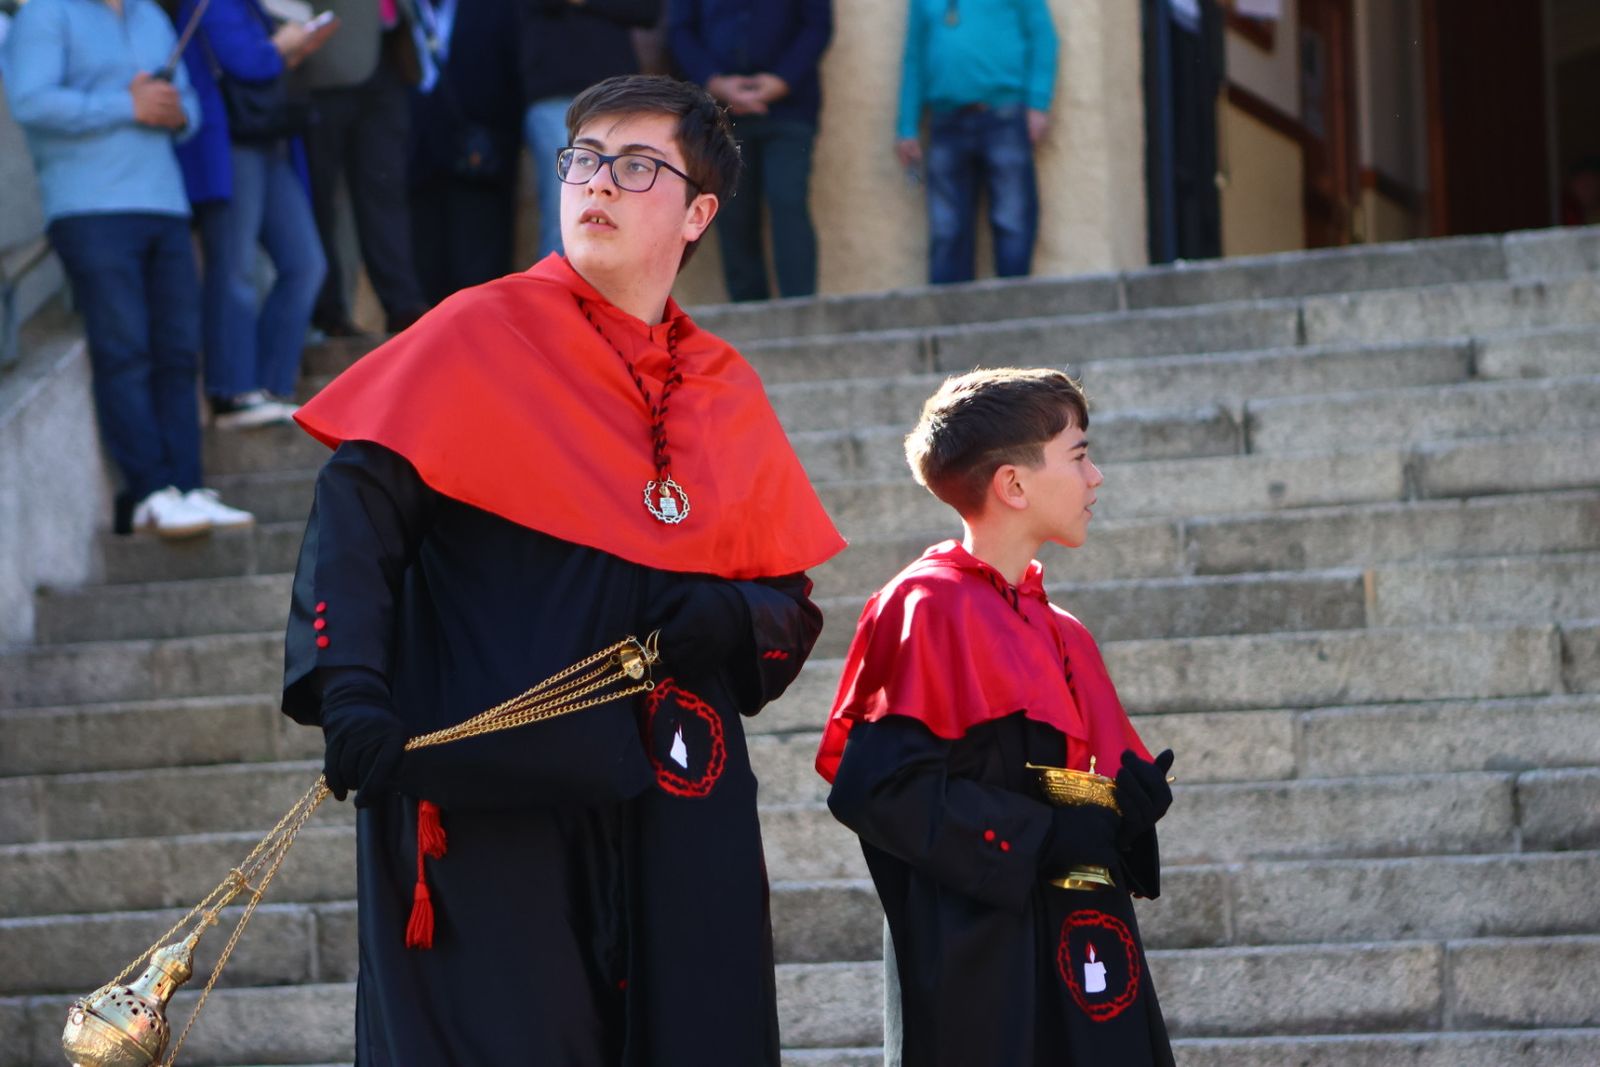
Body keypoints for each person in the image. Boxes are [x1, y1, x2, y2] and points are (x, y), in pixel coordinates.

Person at [280, 74, 846, 1064]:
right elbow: (353, 510)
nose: (597, 183)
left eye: (635, 167)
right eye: (583, 159)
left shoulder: (722, 384)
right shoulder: (473, 330)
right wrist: (352, 689)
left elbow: (783, 602)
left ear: (697, 212)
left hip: (676, 794)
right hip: (489, 792)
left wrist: (727, 617)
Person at [816, 368, 1176, 1066]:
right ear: (1013, 485)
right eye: (1078, 455)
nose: (1096, 476)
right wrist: (1043, 835)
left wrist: (1125, 814)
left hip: (1088, 950)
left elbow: (1075, 803)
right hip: (980, 966)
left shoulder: (1063, 630)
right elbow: (879, 790)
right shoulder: (924, 607)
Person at [4, 0, 255, 537]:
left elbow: (189, 109)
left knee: (178, 352)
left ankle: (187, 487)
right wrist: (126, 105)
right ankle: (146, 492)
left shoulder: (152, 18)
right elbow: (29, 101)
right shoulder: (45, 14)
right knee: (124, 351)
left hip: (164, 203)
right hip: (89, 209)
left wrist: (174, 110)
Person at [176, 0, 332, 429]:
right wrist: (284, 44)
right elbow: (248, 61)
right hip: (230, 144)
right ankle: (233, 391)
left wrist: (292, 47)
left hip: (268, 138)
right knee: (235, 268)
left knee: (306, 264)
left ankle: (271, 386)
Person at [668, 0, 831, 301]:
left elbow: (817, 24)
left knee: (787, 201)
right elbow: (679, 30)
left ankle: (802, 309)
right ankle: (749, 312)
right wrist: (714, 82)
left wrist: (783, 80)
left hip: (790, 109)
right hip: (718, 113)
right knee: (733, 213)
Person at [895, 0, 1058, 284]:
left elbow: (1043, 37)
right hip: (945, 121)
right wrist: (906, 126)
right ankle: (948, 323)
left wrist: (1038, 102)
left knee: (1013, 221)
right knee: (947, 231)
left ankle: (1015, 312)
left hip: (1004, 115)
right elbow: (914, 57)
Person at [297, 0, 430, 336]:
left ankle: (403, 305)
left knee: (386, 191)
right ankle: (328, 312)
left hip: (387, 58)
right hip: (327, 66)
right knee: (321, 199)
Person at [517, 0, 660, 260]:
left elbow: (648, 10)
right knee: (564, 208)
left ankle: (617, 296)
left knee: (626, 205)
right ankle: (555, 297)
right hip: (554, 96)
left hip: (617, 95)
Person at [407, 0, 523, 304]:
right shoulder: (404, 9)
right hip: (414, 158)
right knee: (427, 275)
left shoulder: (495, 8)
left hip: (481, 155)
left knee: (479, 277)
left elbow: (513, 69)